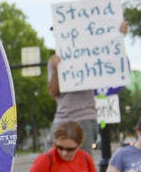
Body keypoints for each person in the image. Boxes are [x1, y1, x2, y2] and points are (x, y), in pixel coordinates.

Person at [47, 20, 128, 152]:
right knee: (49, 160)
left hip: (85, 117)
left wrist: (119, 36)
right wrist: (56, 70)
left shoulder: (91, 54)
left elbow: (111, 54)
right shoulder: (53, 60)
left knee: (82, 161)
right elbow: (52, 92)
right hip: (62, 117)